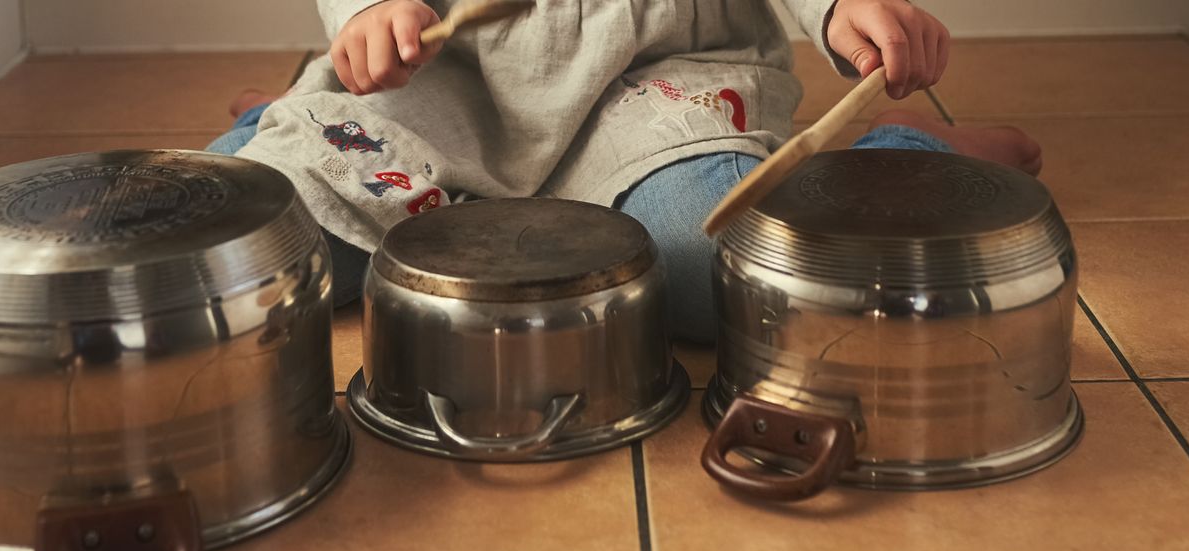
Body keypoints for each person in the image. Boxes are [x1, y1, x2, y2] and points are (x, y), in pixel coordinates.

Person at [208, 0, 1043, 343]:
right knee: (250, 252)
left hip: (652, 83)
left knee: (724, 276)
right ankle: (283, 120)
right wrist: (368, 12)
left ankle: (897, 154)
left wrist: (842, 6)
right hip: (451, 85)